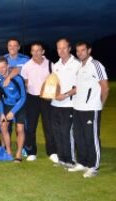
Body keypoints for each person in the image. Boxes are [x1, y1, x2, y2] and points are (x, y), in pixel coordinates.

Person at [69, 41, 109, 178]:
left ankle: (93, 166)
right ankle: (82, 162)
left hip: (91, 109)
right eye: (78, 51)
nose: (80, 53)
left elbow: (105, 87)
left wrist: (100, 104)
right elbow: (79, 88)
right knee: (79, 136)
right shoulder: (80, 66)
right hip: (77, 107)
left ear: (89, 50)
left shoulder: (96, 65)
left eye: (83, 50)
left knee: (91, 138)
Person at [21, 42, 56, 162]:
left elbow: (56, 81)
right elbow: (24, 82)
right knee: (30, 127)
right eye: (33, 50)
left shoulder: (51, 64)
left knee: (49, 126)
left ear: (43, 51)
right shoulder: (26, 66)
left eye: (38, 50)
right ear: (31, 52)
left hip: (46, 99)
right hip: (32, 99)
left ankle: (52, 152)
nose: (36, 53)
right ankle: (31, 152)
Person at [51, 38, 79, 169]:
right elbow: (53, 85)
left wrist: (66, 95)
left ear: (69, 48)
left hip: (69, 105)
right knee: (57, 132)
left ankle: (71, 160)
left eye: (64, 48)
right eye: (58, 48)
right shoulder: (55, 65)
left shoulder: (77, 64)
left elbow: (80, 87)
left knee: (66, 132)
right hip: (55, 104)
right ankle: (61, 158)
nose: (61, 51)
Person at [0, 56, 27, 162]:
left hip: (19, 105)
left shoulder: (18, 79)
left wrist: (13, 112)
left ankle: (18, 154)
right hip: (6, 105)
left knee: (20, 129)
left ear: (8, 66)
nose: (1, 70)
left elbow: (23, 97)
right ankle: (8, 152)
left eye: (3, 67)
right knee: (3, 127)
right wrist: (2, 113)